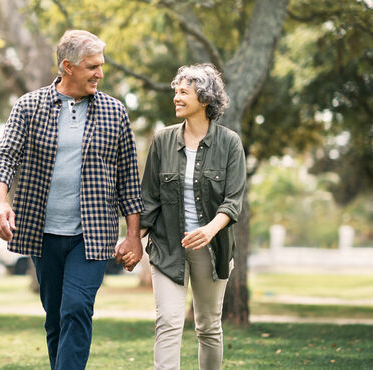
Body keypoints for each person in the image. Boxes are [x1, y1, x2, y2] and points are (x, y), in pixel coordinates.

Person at [0, 29, 144, 370]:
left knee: (76, 308)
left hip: (93, 235)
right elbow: (5, 156)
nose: (100, 73)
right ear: (67, 66)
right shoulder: (29, 106)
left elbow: (130, 179)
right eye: (92, 67)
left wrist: (133, 236)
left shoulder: (114, 113)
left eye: (101, 66)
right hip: (42, 233)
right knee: (56, 316)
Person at [125, 63, 246, 369]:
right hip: (167, 247)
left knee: (208, 327)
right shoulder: (163, 140)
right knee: (167, 322)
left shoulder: (229, 142)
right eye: (175, 91)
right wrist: (131, 240)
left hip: (211, 249)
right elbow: (149, 200)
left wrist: (209, 230)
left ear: (204, 100)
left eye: (184, 92)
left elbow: (233, 201)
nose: (176, 97)